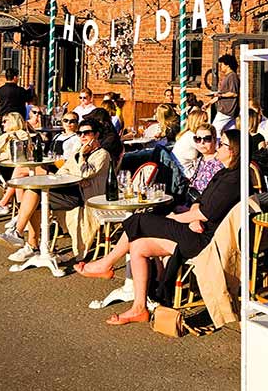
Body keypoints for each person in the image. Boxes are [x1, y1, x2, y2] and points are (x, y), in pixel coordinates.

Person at [75, 129, 243, 326]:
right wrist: (193, 215)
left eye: (222, 144)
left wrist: (179, 217)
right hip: (195, 227)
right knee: (137, 246)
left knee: (139, 219)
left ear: (232, 151)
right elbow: (199, 200)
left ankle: (106, 263)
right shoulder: (224, 172)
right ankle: (139, 308)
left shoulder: (233, 179)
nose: (218, 146)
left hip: (203, 239)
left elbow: (204, 213)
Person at [0, 117, 112, 261]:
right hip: (71, 189)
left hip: (84, 196)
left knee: (35, 191)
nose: (82, 136)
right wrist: (77, 174)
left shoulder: (102, 154)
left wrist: (81, 158)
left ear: (97, 134)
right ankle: (30, 243)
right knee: (33, 189)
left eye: (86, 133)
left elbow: (85, 172)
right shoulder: (77, 151)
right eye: (80, 133)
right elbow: (63, 171)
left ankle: (21, 235)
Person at [0, 112, 43, 217]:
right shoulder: (3, 136)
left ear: (13, 122)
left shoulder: (22, 135)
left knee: (19, 176)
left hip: (11, 167)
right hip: (2, 166)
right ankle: (20, 213)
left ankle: (4, 204)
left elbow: (16, 153)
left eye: (5, 121)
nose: (2, 124)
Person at [204, 54, 239, 136]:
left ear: (228, 65)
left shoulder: (232, 76)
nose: (221, 67)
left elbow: (234, 93)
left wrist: (221, 95)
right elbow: (221, 94)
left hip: (227, 110)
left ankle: (215, 146)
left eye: (222, 64)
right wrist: (209, 103)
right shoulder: (228, 76)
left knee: (215, 129)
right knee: (230, 132)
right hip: (227, 110)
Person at [186, 123, 222, 201]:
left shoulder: (219, 161)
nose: (202, 142)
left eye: (207, 139)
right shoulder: (200, 159)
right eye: (198, 139)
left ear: (214, 139)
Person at [171, 108, 209, 180]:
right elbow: (208, 150)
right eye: (205, 121)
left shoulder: (187, 134)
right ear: (197, 122)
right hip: (184, 174)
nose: (207, 124)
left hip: (181, 171)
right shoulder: (192, 137)